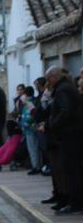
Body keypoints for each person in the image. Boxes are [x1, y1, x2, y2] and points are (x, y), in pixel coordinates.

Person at [44, 66, 83, 215]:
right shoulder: (67, 88)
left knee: (71, 170)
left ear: (54, 77)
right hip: (71, 133)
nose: (48, 83)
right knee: (71, 169)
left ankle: (75, 202)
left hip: (70, 135)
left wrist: (52, 124)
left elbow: (64, 111)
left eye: (49, 79)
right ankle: (73, 201)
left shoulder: (63, 90)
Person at [19, 87, 41, 175]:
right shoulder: (32, 101)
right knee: (33, 147)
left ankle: (36, 167)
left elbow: (29, 116)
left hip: (30, 129)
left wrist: (25, 125)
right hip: (29, 128)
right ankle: (35, 165)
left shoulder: (29, 103)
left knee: (32, 148)